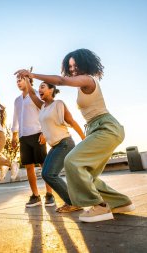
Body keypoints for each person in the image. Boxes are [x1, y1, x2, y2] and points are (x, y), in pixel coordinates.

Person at [15, 48, 135, 222]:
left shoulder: (88, 79)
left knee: (71, 161)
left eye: (75, 64)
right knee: (87, 175)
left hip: (106, 127)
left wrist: (33, 75)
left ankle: (100, 207)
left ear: (85, 63)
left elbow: (62, 80)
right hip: (97, 129)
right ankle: (120, 202)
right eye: (69, 66)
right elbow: (35, 96)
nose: (72, 69)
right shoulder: (53, 101)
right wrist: (28, 82)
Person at [24, 77, 85, 212]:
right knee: (47, 174)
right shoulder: (42, 107)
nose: (40, 89)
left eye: (43, 86)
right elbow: (32, 94)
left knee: (49, 174)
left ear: (52, 90)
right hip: (55, 145)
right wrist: (27, 79)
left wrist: (84, 138)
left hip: (65, 143)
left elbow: (72, 121)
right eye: (39, 87)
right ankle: (72, 201)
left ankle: (73, 202)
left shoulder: (58, 104)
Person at [11, 75, 55, 208]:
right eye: (17, 81)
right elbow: (16, 118)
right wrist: (14, 135)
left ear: (28, 80)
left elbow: (44, 112)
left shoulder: (37, 94)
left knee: (44, 165)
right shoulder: (17, 100)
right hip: (23, 136)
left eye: (21, 80)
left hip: (37, 133)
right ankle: (35, 196)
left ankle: (49, 194)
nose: (18, 83)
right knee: (28, 166)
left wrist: (44, 131)